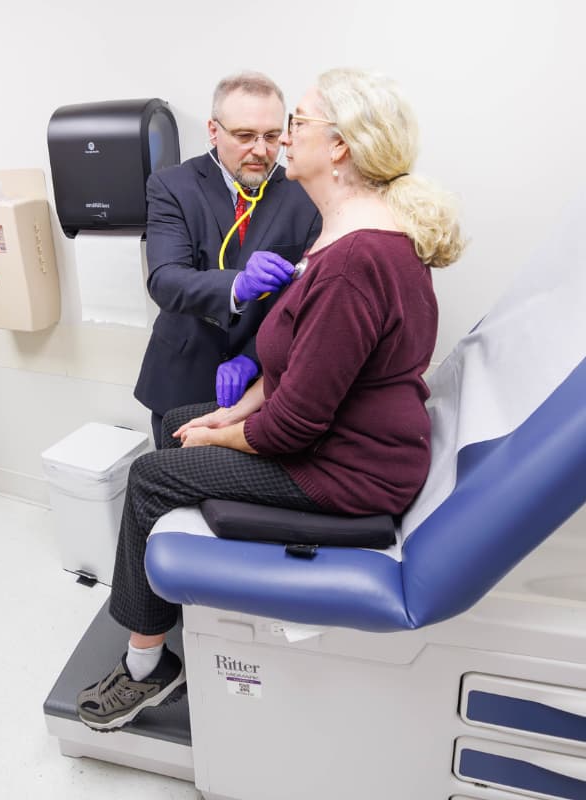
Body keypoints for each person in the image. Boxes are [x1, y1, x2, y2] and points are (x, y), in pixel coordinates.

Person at [77, 67, 465, 731]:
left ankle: (147, 668)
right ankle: (182, 612)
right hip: (311, 420)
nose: (279, 144)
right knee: (174, 422)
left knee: (150, 477)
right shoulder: (341, 230)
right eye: (251, 134)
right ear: (215, 133)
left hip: (345, 461)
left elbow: (300, 421)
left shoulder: (347, 250)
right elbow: (280, 330)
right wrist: (235, 405)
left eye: (294, 127)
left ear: (339, 147)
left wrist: (225, 433)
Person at [134, 71, 321, 447]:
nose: (261, 150)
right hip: (180, 378)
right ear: (213, 130)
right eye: (245, 136)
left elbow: (304, 301)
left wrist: (252, 358)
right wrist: (237, 285)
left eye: (271, 137)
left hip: (260, 385)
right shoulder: (173, 186)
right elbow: (166, 280)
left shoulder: (304, 195)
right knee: (173, 490)